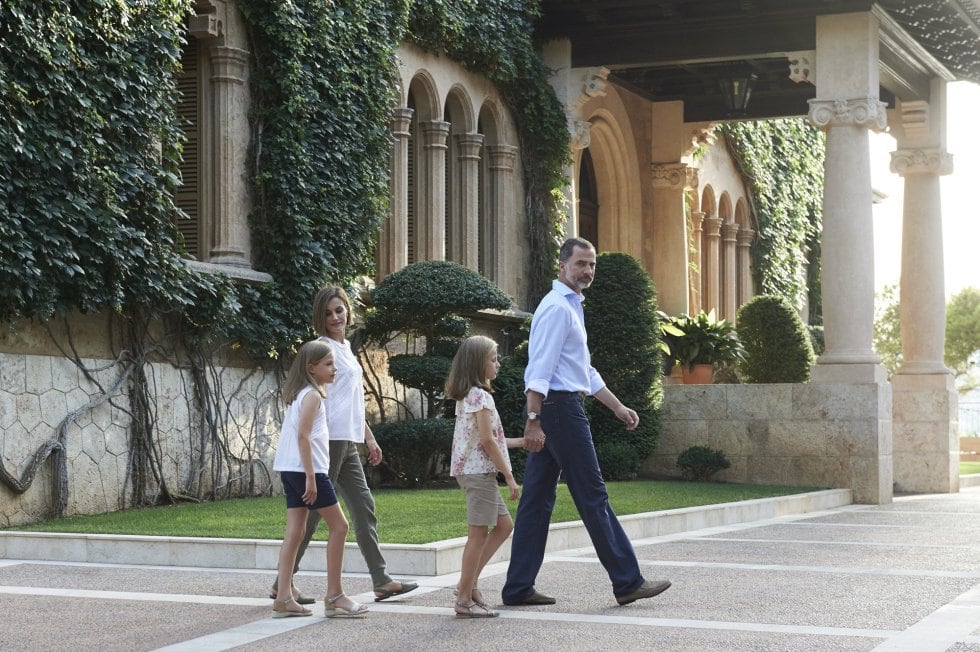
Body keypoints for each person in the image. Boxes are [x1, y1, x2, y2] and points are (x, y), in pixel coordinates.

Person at [501, 237, 672, 607]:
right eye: (581, 264)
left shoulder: (572, 307)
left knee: (536, 500)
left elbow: (584, 371)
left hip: (560, 407)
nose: (588, 271)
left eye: (591, 265)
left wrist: (618, 407)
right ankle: (627, 581)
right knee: (592, 495)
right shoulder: (557, 309)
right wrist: (534, 420)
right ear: (562, 266)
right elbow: (539, 371)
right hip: (559, 410)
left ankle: (517, 588)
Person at [271, 285, 418, 604]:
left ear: (348, 310)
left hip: (349, 438)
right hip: (331, 439)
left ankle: (381, 579)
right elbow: (326, 402)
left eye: (339, 310)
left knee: (364, 506)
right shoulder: (322, 348)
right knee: (313, 511)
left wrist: (369, 435)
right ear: (320, 318)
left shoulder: (346, 349)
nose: (336, 317)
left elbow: (350, 400)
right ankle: (283, 581)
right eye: (328, 313)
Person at [272, 339, 368, 618]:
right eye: (328, 364)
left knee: (295, 533)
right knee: (340, 527)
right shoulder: (312, 396)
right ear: (311, 368)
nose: (334, 369)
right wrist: (313, 479)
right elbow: (303, 436)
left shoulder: (301, 394)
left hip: (290, 469)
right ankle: (335, 595)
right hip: (305, 471)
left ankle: (283, 597)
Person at [445, 335, 525, 618]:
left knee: (504, 526)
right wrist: (510, 477)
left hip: (477, 472)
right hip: (478, 473)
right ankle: (464, 599)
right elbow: (488, 442)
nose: (498, 364)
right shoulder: (480, 396)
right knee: (477, 535)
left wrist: (522, 442)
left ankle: (469, 585)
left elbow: (490, 439)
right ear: (478, 364)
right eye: (493, 359)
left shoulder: (472, 396)